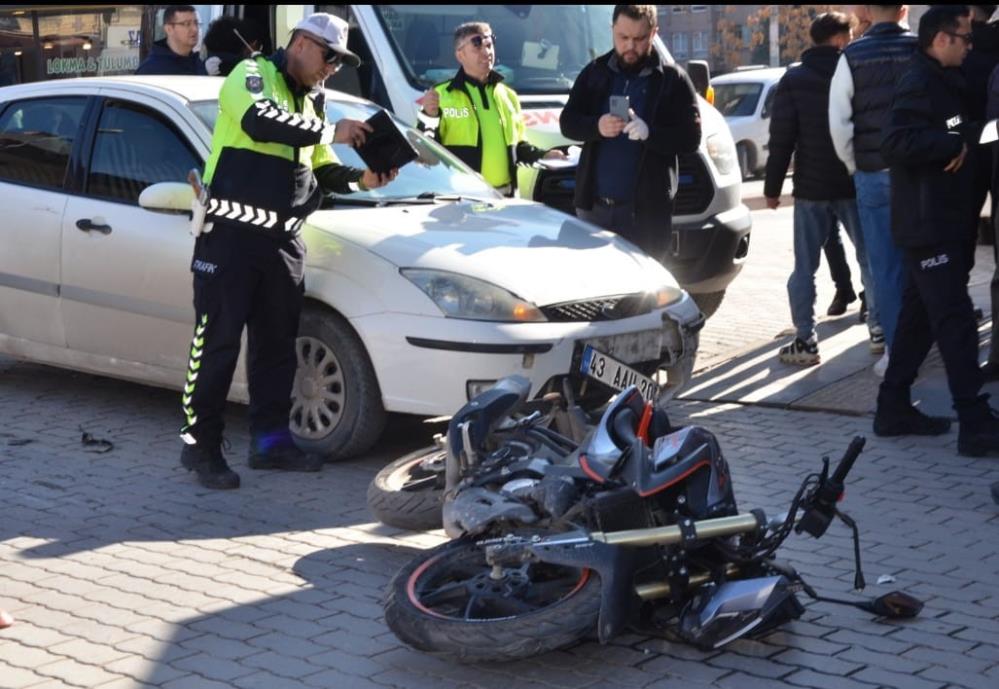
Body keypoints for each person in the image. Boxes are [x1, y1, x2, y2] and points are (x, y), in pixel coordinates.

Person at [178, 13, 399, 489]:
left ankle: (271, 443)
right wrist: (330, 131)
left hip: (283, 243)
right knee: (215, 344)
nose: (332, 68)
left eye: (340, 62)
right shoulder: (251, 74)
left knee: (277, 349)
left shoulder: (314, 103)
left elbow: (322, 170)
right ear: (300, 43)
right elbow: (262, 123)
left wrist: (364, 179)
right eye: (328, 56)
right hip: (231, 237)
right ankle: (201, 448)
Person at [877, 4, 999, 457]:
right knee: (955, 319)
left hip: (941, 221)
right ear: (943, 39)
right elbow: (895, 140)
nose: (971, 46)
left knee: (919, 318)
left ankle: (892, 407)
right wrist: (950, 143)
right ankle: (973, 420)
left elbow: (952, 130)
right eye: (966, 38)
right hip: (928, 226)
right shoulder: (919, 81)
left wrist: (968, 136)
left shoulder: (944, 82)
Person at [765, 12, 883, 366]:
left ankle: (806, 339)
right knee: (870, 258)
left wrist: (772, 188)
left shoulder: (794, 78)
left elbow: (781, 137)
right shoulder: (855, 70)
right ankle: (878, 329)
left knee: (805, 266)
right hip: (852, 179)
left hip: (811, 186)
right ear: (838, 39)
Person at [560, 4, 701, 264]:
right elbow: (567, 123)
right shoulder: (595, 72)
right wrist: (597, 126)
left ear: (654, 33)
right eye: (623, 38)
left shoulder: (672, 80)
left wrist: (651, 133)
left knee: (641, 297)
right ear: (612, 29)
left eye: (639, 39)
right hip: (595, 209)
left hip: (646, 216)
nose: (630, 47)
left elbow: (691, 138)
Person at [829, 4, 918, 376]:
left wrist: (854, 165)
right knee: (923, 263)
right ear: (904, 9)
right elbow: (947, 109)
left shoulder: (851, 56)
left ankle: (897, 354)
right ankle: (928, 345)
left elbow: (839, 123)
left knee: (885, 268)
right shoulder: (919, 48)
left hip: (873, 172)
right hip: (917, 173)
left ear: (866, 10)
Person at [418, 22, 566, 196]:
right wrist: (429, 115)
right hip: (461, 201)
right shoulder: (441, 95)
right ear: (460, 55)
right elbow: (424, 150)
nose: (486, 52)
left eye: (489, 45)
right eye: (477, 46)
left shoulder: (508, 96)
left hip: (504, 199)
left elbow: (517, 148)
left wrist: (545, 156)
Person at [136, 5, 207, 76]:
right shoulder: (150, 70)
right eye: (187, 24)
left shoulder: (197, 64)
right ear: (169, 29)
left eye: (196, 23)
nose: (195, 29)